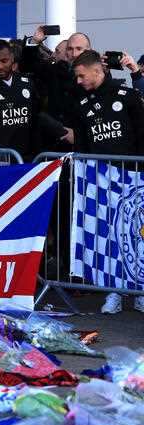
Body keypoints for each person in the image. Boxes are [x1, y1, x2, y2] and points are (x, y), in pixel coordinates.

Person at [70, 50, 144, 314]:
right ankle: (113, 291)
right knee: (110, 234)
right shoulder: (81, 104)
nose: (78, 81)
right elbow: (83, 143)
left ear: (96, 70)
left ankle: (139, 292)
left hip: (135, 177)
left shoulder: (128, 96)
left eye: (81, 75)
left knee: (137, 235)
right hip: (103, 181)